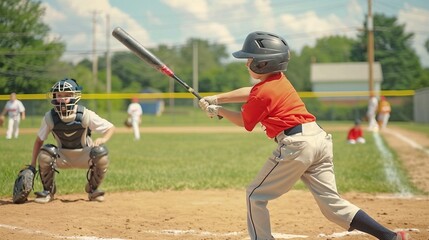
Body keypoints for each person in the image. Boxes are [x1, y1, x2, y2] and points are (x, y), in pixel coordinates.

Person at [199, 31, 409, 240]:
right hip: (319, 139)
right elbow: (250, 92)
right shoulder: (278, 79)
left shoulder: (263, 93)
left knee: (255, 195)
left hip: (297, 145)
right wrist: (218, 98)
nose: (247, 63)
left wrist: (218, 110)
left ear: (263, 64)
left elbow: (243, 122)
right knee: (333, 206)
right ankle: (390, 237)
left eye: (250, 59)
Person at [30, 78, 115, 203]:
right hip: (62, 156)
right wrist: (32, 165)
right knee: (45, 154)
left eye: (67, 95)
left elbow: (110, 127)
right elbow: (39, 141)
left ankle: (93, 190)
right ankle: (48, 191)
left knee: (101, 153)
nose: (63, 98)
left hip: (85, 155)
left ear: (75, 96)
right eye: (59, 95)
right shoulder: (49, 117)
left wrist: (103, 138)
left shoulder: (85, 114)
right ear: (54, 96)